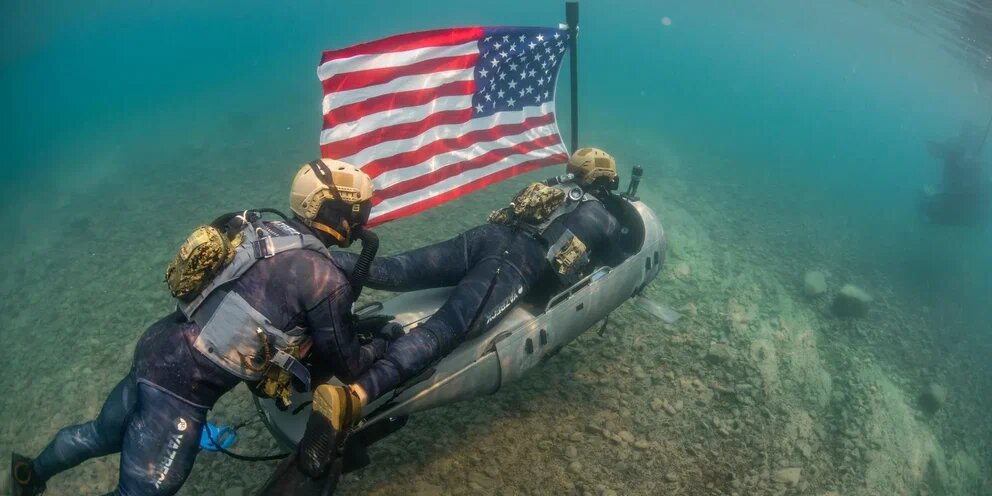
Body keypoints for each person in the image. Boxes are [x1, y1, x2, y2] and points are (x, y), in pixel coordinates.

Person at [260, 147, 630, 494]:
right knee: (447, 328)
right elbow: (615, 256)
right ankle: (353, 398)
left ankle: (293, 254)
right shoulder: (600, 214)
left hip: (483, 239)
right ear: (604, 180)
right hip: (514, 262)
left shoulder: (553, 187)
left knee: (392, 269)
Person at [9, 159, 389, 496]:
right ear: (334, 212)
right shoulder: (324, 277)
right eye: (357, 211)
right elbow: (349, 364)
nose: (360, 222)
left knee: (99, 434)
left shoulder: (261, 227)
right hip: (180, 388)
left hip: (158, 347)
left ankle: (27, 475)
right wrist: (382, 343)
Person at [922, 122, 992, 225]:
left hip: (967, 190)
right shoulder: (955, 142)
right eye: (969, 132)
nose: (971, 135)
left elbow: (938, 151)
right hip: (954, 189)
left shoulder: (974, 144)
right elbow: (939, 151)